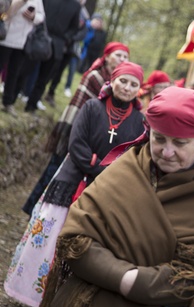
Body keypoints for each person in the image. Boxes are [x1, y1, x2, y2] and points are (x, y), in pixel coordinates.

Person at [27, 86, 194, 307]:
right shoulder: (126, 168)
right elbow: (75, 239)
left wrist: (137, 282)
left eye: (180, 143)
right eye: (159, 138)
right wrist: (121, 276)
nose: (167, 151)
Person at [5, 62, 146, 307]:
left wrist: (106, 174)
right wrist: (97, 167)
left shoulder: (139, 122)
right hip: (71, 180)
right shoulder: (92, 107)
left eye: (133, 84)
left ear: (139, 89)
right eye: (123, 80)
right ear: (113, 81)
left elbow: (134, 155)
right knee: (49, 237)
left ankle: (58, 304)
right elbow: (77, 142)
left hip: (107, 191)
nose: (127, 87)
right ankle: (30, 297)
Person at [22, 41, 130, 215]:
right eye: (118, 55)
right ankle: (34, 208)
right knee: (55, 170)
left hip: (91, 136)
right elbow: (87, 106)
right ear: (107, 56)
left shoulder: (119, 83)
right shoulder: (95, 76)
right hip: (74, 128)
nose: (122, 59)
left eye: (125, 57)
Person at [24, 0, 81, 114]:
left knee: (44, 78)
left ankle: (32, 105)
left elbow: (74, 28)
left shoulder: (75, 6)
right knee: (26, 69)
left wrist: (65, 38)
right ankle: (17, 95)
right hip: (39, 38)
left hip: (57, 45)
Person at [0, 0, 45, 116]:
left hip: (23, 41)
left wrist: (33, 16)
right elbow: (5, 13)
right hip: (6, 37)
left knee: (14, 72)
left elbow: (41, 17)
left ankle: (8, 101)